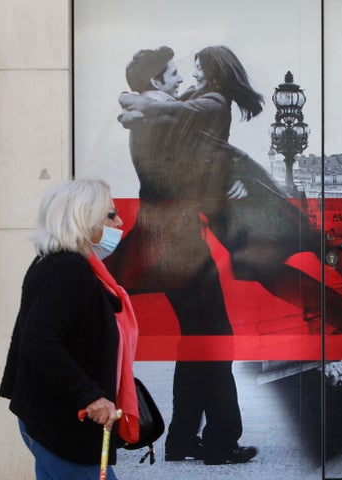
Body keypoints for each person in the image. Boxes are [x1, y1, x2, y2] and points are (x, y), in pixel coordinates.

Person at [115, 45, 342, 335]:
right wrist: (132, 104)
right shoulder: (192, 100)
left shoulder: (213, 102)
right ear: (155, 82)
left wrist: (134, 104)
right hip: (214, 211)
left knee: (266, 272)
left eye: (197, 68)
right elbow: (175, 138)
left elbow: (173, 114)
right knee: (265, 275)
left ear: (213, 73)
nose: (187, 76)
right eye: (177, 72)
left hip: (233, 202)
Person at [106, 46, 258, 466]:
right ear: (156, 82)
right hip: (179, 246)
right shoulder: (158, 123)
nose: (180, 80)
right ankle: (220, 442)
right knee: (214, 338)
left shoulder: (153, 119)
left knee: (197, 339)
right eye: (173, 74)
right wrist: (226, 185)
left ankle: (183, 441)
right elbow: (177, 180)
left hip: (166, 240)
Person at [0, 179, 139, 479]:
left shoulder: (54, 263)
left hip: (51, 420)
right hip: (65, 425)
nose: (120, 221)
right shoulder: (69, 270)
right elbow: (38, 339)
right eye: (110, 215)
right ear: (83, 219)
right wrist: (89, 396)